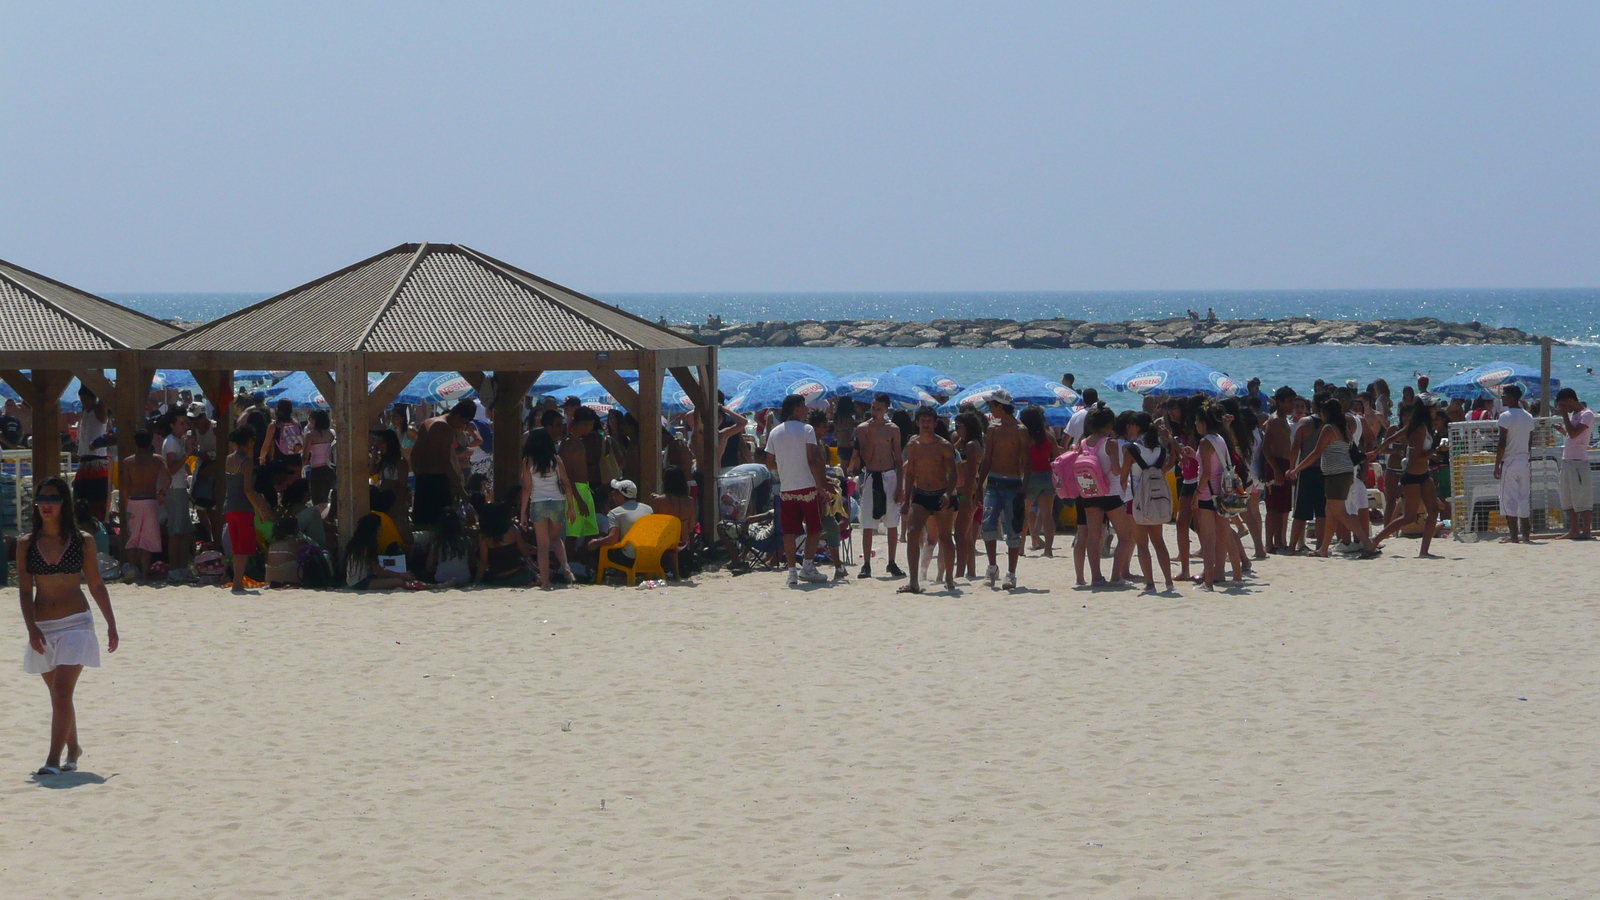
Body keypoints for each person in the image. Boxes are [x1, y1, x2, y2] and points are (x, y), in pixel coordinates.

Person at [18, 477, 118, 777]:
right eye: (42, 499)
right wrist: (31, 628)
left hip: (77, 622)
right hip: (43, 626)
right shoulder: (26, 544)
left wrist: (111, 624)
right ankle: (73, 748)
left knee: (62, 692)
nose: (47, 505)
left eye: (54, 499)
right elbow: (24, 591)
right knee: (58, 695)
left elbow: (97, 584)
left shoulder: (82, 540)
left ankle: (52, 759)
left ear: (65, 503)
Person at [1289, 398, 1379, 558]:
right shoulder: (1344, 428)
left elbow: (1316, 453)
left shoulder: (1328, 428)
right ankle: (1323, 549)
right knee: (1330, 511)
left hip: (1335, 475)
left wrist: (1296, 469)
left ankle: (1368, 543)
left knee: (1340, 512)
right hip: (1344, 473)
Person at [765, 394, 832, 586]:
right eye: (803, 406)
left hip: (787, 488)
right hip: (807, 486)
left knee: (789, 531)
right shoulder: (807, 429)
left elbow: (769, 463)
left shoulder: (775, 432)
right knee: (814, 528)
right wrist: (821, 487)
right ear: (796, 410)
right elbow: (812, 459)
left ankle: (792, 572)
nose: (807, 410)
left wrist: (786, 467)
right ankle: (808, 567)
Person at [1372, 400, 1445, 556]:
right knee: (1409, 517)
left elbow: (1392, 439)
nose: (1436, 410)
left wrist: (1376, 451)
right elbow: (1418, 457)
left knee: (1433, 510)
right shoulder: (1418, 429)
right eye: (1433, 408)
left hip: (1423, 474)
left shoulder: (1419, 426)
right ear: (1426, 410)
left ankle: (1424, 551)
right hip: (1412, 476)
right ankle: (1375, 540)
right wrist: (1437, 449)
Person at [898, 406, 958, 594]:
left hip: (940, 495)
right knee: (912, 533)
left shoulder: (943, 445)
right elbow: (911, 474)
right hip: (921, 494)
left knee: (946, 538)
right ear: (917, 423)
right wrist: (906, 499)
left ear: (935, 423)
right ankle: (914, 581)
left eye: (929, 421)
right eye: (922, 421)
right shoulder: (913, 445)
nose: (926, 424)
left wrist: (948, 494)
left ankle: (949, 577)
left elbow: (953, 473)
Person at [1072, 407, 1132, 587]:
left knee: (1093, 535)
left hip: (1089, 493)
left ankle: (1096, 577)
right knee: (1125, 536)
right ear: (1109, 424)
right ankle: (1115, 577)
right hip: (1110, 493)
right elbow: (1115, 469)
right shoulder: (1110, 443)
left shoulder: (1083, 443)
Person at [977, 390, 1029, 589]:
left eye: (991, 405)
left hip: (1013, 484)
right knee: (988, 524)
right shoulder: (993, 429)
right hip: (994, 483)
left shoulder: (1020, 430)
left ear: (1000, 406)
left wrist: (1024, 487)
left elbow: (1026, 461)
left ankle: (1011, 573)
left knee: (1013, 529)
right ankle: (992, 567)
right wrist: (979, 485)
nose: (989, 409)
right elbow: (987, 459)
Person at [519, 426, 579, 589]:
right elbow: (567, 483)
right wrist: (571, 507)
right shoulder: (555, 459)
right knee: (556, 538)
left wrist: (523, 511)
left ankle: (545, 582)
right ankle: (566, 568)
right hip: (557, 502)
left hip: (538, 503)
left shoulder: (528, 461)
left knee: (542, 545)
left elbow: (527, 488)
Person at [853, 394, 904, 579]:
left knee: (892, 522)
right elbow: (866, 458)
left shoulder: (893, 429)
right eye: (873, 408)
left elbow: (898, 458)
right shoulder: (863, 428)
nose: (875, 412)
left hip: (889, 475)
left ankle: (892, 562)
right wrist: (872, 436)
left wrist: (900, 486)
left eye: (879, 409)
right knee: (868, 522)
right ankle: (866, 564)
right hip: (872, 475)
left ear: (886, 410)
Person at [1125, 412, 1176, 593]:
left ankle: (1150, 583)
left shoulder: (1132, 449)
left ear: (1138, 427)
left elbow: (1123, 477)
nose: (1128, 427)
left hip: (1136, 500)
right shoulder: (1160, 449)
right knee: (1159, 542)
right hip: (1155, 499)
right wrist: (1171, 441)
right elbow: (1167, 468)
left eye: (1131, 424)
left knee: (1142, 544)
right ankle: (1168, 582)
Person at [411, 399, 476, 527]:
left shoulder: (427, 422)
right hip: (438, 481)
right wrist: (460, 489)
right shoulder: (445, 428)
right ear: (457, 416)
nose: (462, 427)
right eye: (463, 423)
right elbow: (445, 462)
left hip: (422, 478)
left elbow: (414, 454)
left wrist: (418, 476)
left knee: (422, 524)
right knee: (442, 525)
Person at [223, 427, 273, 594]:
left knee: (237, 547)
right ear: (250, 442)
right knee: (244, 548)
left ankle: (237, 581)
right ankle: (238, 582)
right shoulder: (247, 461)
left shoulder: (229, 459)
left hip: (229, 506)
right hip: (243, 508)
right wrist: (260, 509)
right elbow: (248, 490)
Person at [1494, 384, 1536, 543]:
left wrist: (1497, 465)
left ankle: (1513, 536)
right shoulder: (1528, 417)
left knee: (1509, 498)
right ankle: (1526, 534)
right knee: (1524, 497)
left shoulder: (1505, 416)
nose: (1502, 398)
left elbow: (1502, 443)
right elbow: (1530, 442)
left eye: (1504, 395)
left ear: (1511, 397)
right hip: (1524, 460)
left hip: (1510, 461)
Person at [588, 479, 657, 576]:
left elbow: (612, 539)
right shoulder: (648, 509)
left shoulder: (616, 512)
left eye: (615, 493)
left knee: (597, 546)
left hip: (629, 559)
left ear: (621, 495)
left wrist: (595, 542)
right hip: (649, 557)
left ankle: (601, 576)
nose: (613, 496)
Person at [120, 430, 163, 580]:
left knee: (133, 537)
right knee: (148, 539)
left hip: (134, 500)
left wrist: (126, 502)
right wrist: (161, 493)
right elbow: (168, 478)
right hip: (151, 500)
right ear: (151, 442)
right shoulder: (157, 459)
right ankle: (144, 573)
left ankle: (132, 569)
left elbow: (125, 485)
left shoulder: (128, 461)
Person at [1019, 406, 1061, 557]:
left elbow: (1020, 459)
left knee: (1022, 514)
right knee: (1047, 514)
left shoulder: (1024, 436)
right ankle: (1048, 550)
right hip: (1047, 475)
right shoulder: (1048, 435)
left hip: (1030, 476)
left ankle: (1020, 548)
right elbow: (1057, 457)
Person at [345, 513, 425, 590]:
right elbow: (378, 570)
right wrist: (401, 575)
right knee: (398, 582)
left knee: (398, 580)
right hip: (360, 582)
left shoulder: (361, 543)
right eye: (380, 528)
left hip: (360, 579)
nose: (382, 530)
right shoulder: (367, 545)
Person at [1554, 387, 1593, 540]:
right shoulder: (1576, 415)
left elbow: (1575, 433)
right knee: (1568, 497)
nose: (1564, 408)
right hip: (1568, 460)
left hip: (1579, 461)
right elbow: (1573, 437)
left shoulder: (1587, 414)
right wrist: (1563, 431)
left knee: (1582, 497)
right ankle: (1574, 529)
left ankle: (1587, 531)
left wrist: (1564, 417)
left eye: (1564, 405)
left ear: (1571, 401)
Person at [950, 412, 986, 580]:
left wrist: (968, 497)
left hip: (967, 493)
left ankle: (959, 573)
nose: (956, 430)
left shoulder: (971, 445)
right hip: (968, 492)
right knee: (967, 534)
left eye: (959, 427)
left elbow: (971, 473)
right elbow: (950, 452)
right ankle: (970, 571)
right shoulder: (970, 443)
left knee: (960, 534)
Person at [1260, 387, 1296, 552]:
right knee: (1273, 507)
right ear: (1280, 402)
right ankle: (1269, 543)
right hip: (1276, 464)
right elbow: (1266, 446)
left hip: (1285, 463)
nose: (1292, 405)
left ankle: (1279, 541)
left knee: (1284, 506)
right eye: (1289, 402)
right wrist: (1275, 469)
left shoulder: (1283, 419)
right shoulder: (1274, 419)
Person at [161, 409, 195, 576]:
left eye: (186, 423)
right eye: (181, 423)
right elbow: (171, 469)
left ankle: (182, 566)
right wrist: (186, 456)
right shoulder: (171, 443)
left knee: (184, 530)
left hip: (181, 488)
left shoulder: (180, 441)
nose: (185, 426)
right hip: (174, 488)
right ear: (172, 425)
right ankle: (174, 568)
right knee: (175, 531)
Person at [649, 466, 698, 578]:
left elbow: (656, 526)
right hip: (682, 542)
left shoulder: (658, 501)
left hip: (666, 542)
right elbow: (691, 527)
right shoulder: (690, 501)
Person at [72, 387, 112, 520]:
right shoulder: (85, 412)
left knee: (96, 499)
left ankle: (98, 524)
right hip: (84, 462)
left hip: (97, 462)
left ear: (94, 399)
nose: (84, 403)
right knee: (79, 498)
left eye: (87, 399)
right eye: (82, 400)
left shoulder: (99, 411)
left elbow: (104, 396)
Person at [427, 508, 475, 586]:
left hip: (442, 579)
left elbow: (428, 567)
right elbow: (473, 564)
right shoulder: (467, 541)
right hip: (463, 579)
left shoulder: (437, 544)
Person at [259, 399, 303, 475]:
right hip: (296, 461)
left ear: (278, 409)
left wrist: (262, 458)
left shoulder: (274, 426)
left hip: (280, 463)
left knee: (280, 485)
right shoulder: (296, 424)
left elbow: (266, 445)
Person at [302, 409, 336, 507]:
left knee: (317, 499)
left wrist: (302, 467)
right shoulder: (332, 433)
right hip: (330, 468)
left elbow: (305, 456)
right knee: (325, 497)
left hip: (317, 469)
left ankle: (320, 518)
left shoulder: (310, 435)